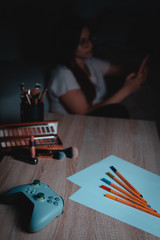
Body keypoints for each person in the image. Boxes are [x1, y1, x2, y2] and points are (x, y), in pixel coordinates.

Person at [47, 16, 147, 118]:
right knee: (119, 110)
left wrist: (139, 72)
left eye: (90, 39)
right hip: (74, 125)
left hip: (95, 122)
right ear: (68, 45)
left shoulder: (91, 63)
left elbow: (123, 69)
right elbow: (84, 113)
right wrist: (127, 89)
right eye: (83, 42)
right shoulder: (62, 74)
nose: (90, 45)